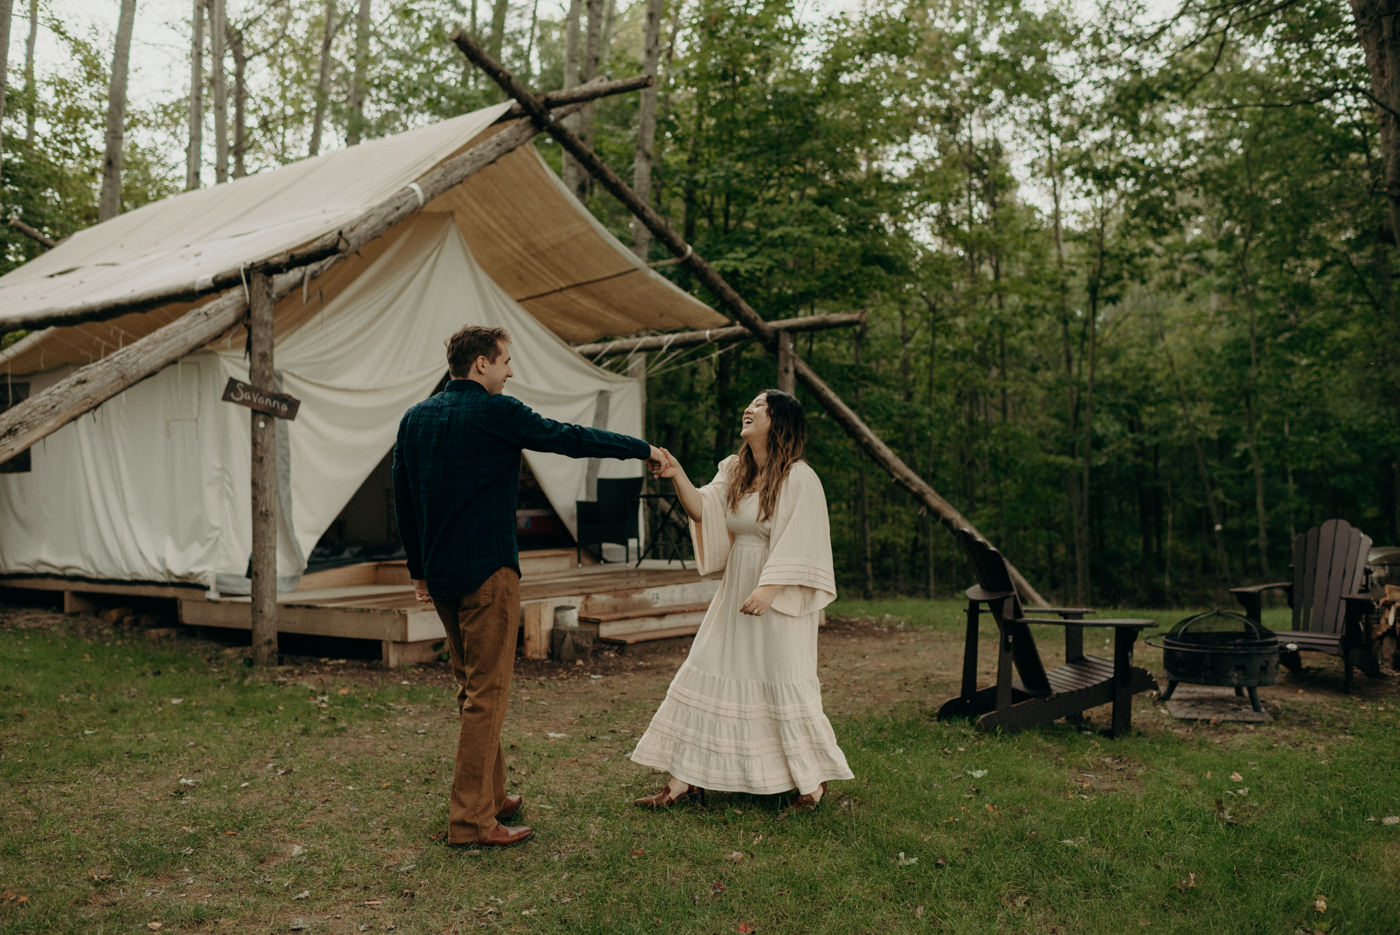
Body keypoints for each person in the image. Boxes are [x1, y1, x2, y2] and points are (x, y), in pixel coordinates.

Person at [393, 324, 663, 848]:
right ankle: (472, 822)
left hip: (443, 576)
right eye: (506, 361)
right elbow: (570, 438)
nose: (510, 370)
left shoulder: (414, 418)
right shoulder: (499, 411)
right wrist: (642, 448)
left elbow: (404, 496)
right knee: (486, 696)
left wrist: (417, 570)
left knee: (473, 690)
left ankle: (489, 796)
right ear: (480, 366)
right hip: (489, 573)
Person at [629, 389, 853, 809]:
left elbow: (805, 540)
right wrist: (678, 474)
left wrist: (769, 588)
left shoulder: (798, 477)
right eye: (748, 403)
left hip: (778, 595)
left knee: (779, 680)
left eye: (760, 406)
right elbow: (704, 510)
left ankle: (811, 783)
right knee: (706, 668)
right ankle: (683, 781)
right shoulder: (734, 469)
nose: (748, 409)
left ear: (779, 420)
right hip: (736, 591)